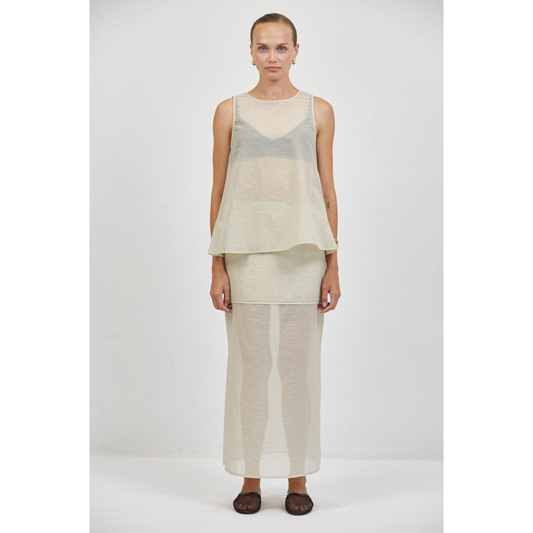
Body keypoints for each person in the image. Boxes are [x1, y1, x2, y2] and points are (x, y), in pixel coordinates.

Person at [208, 13, 341, 516]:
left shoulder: (319, 111)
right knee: (251, 369)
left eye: (281, 48)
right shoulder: (229, 111)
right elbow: (219, 192)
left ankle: (298, 479)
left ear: (296, 52)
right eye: (263, 48)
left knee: (297, 370)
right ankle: (250, 477)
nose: (272, 57)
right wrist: (217, 266)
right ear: (250, 52)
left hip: (304, 256)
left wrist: (333, 264)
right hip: (246, 254)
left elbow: (327, 191)